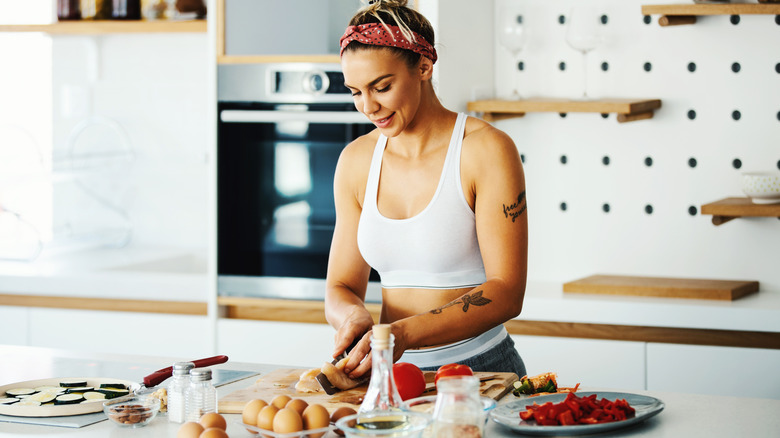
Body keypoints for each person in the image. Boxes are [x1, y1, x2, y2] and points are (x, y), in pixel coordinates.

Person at [324, 0, 528, 379]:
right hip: (389, 373)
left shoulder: (485, 150)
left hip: (478, 370)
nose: (368, 106)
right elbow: (341, 284)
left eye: (381, 87)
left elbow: (507, 291)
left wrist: (404, 333)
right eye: (355, 92)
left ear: (424, 66)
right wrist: (352, 315)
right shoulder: (356, 161)